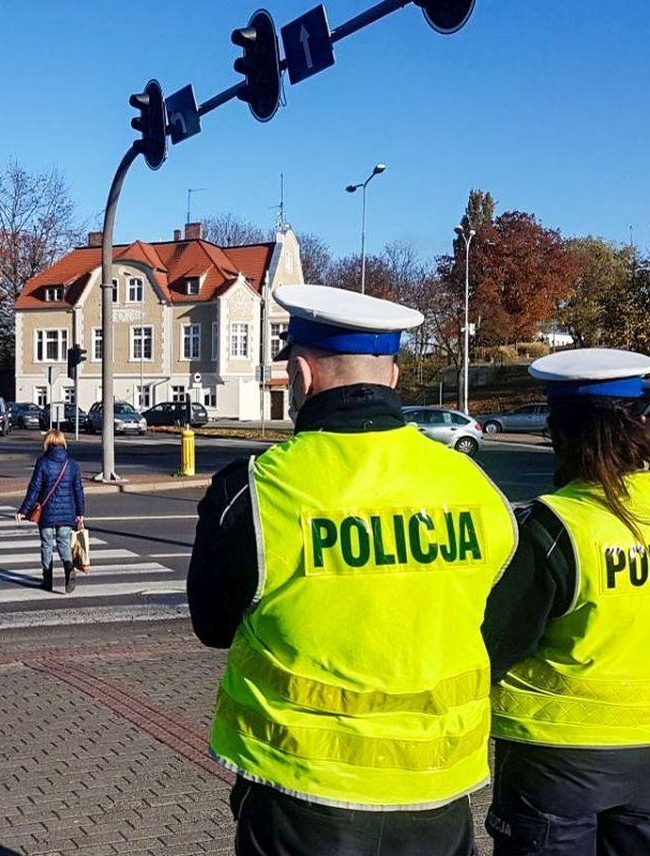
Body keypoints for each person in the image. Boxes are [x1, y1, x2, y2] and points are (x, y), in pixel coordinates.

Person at [188, 285, 519, 856]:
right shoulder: (476, 487)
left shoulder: (256, 487)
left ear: (301, 373)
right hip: (440, 790)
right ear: (392, 378)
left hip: (302, 793)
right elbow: (500, 624)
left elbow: (213, 626)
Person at [481, 348, 650, 855]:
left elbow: (497, 645)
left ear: (559, 433)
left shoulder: (555, 524)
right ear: (639, 423)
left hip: (555, 757)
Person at [15, 428, 85, 593]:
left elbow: (34, 488)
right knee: (64, 543)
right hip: (67, 513)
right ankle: (69, 568)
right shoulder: (72, 464)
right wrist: (80, 513)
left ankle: (47, 580)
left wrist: (23, 510)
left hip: (46, 512)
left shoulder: (43, 462)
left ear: (47, 443)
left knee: (47, 545)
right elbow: (78, 490)